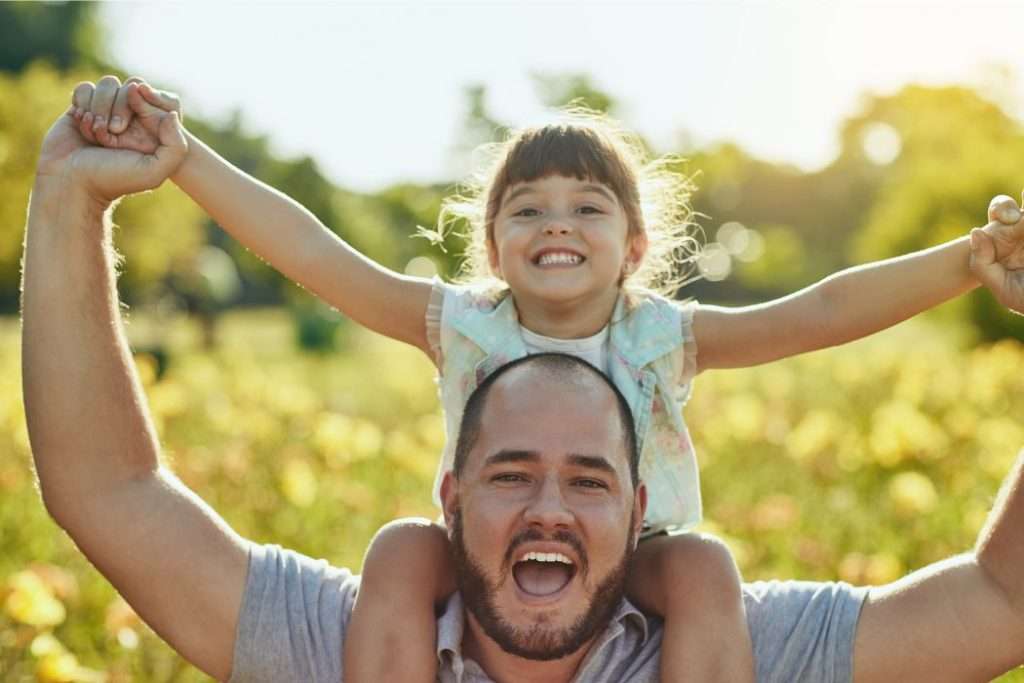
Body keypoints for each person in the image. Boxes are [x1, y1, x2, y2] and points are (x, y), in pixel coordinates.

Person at [64, 74, 1024, 683]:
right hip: (470, 563)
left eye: (587, 207)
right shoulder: (463, 324)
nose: (556, 223)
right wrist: (184, 161)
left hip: (639, 564)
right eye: (527, 208)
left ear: (636, 246)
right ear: (491, 245)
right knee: (399, 547)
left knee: (704, 568)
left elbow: (819, 311)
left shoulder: (661, 334)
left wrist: (967, 261)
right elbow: (319, 255)